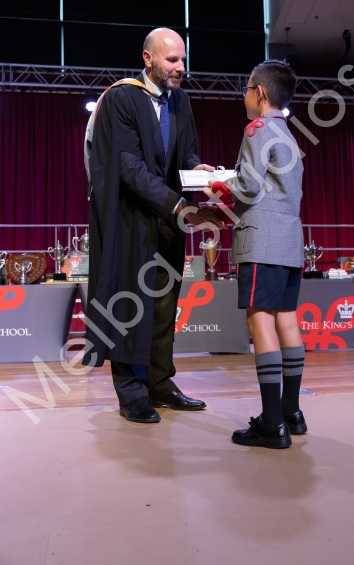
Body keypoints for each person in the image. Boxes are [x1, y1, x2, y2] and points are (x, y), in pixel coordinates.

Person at [83, 28, 224, 423]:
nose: (180, 67)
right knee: (130, 306)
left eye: (183, 60)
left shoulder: (181, 101)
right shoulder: (122, 98)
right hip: (130, 220)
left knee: (164, 306)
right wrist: (179, 205)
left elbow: (187, 152)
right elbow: (128, 167)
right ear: (148, 59)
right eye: (172, 60)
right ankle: (132, 391)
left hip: (168, 221)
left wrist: (197, 169)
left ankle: (160, 383)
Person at [208, 60, 306, 449]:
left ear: (260, 93)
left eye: (247, 89)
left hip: (261, 240)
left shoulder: (258, 128)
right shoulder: (289, 134)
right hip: (289, 240)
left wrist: (216, 182)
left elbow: (248, 187)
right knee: (287, 321)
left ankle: (271, 423)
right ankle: (291, 412)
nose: (244, 96)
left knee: (259, 322)